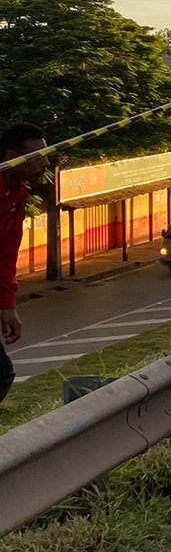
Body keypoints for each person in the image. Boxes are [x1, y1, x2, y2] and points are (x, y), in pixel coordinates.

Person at [1, 122, 49, 404]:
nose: (45, 163)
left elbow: (6, 253)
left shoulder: (16, 194)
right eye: (36, 157)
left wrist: (7, 304)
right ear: (10, 156)